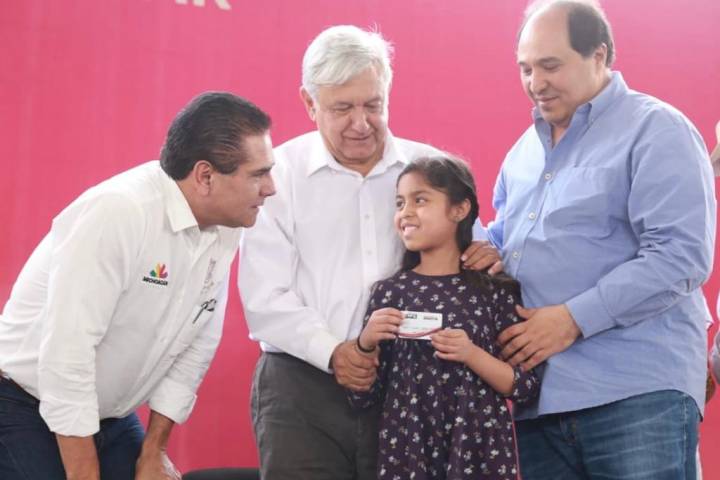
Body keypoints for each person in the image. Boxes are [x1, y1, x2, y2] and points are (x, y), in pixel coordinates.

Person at [239, 25, 500, 479]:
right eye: (342, 108)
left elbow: (474, 256)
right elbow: (265, 298)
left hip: (415, 385)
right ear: (309, 103)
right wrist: (333, 352)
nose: (361, 123)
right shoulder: (276, 176)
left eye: (373, 105)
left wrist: (487, 256)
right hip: (301, 386)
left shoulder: (431, 171)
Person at [480, 1, 716, 478]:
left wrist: (572, 319)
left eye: (550, 65)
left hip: (635, 393)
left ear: (599, 55)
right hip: (539, 402)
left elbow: (681, 256)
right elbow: (507, 247)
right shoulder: (522, 154)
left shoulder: (656, 129)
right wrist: (479, 244)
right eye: (526, 68)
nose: (535, 82)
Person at [0, 92, 276, 480]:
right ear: (205, 176)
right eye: (258, 174)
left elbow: (196, 345)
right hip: (22, 405)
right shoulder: (118, 213)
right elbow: (67, 356)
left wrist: (154, 450)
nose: (271, 188)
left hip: (109, 416)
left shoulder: (226, 223)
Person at [348, 156, 540, 479]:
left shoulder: (495, 290)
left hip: (479, 453)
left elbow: (524, 386)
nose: (405, 212)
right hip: (407, 453)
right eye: (400, 203)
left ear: (459, 209)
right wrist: (365, 343)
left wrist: (471, 354)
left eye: (420, 200)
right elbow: (363, 396)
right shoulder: (388, 293)